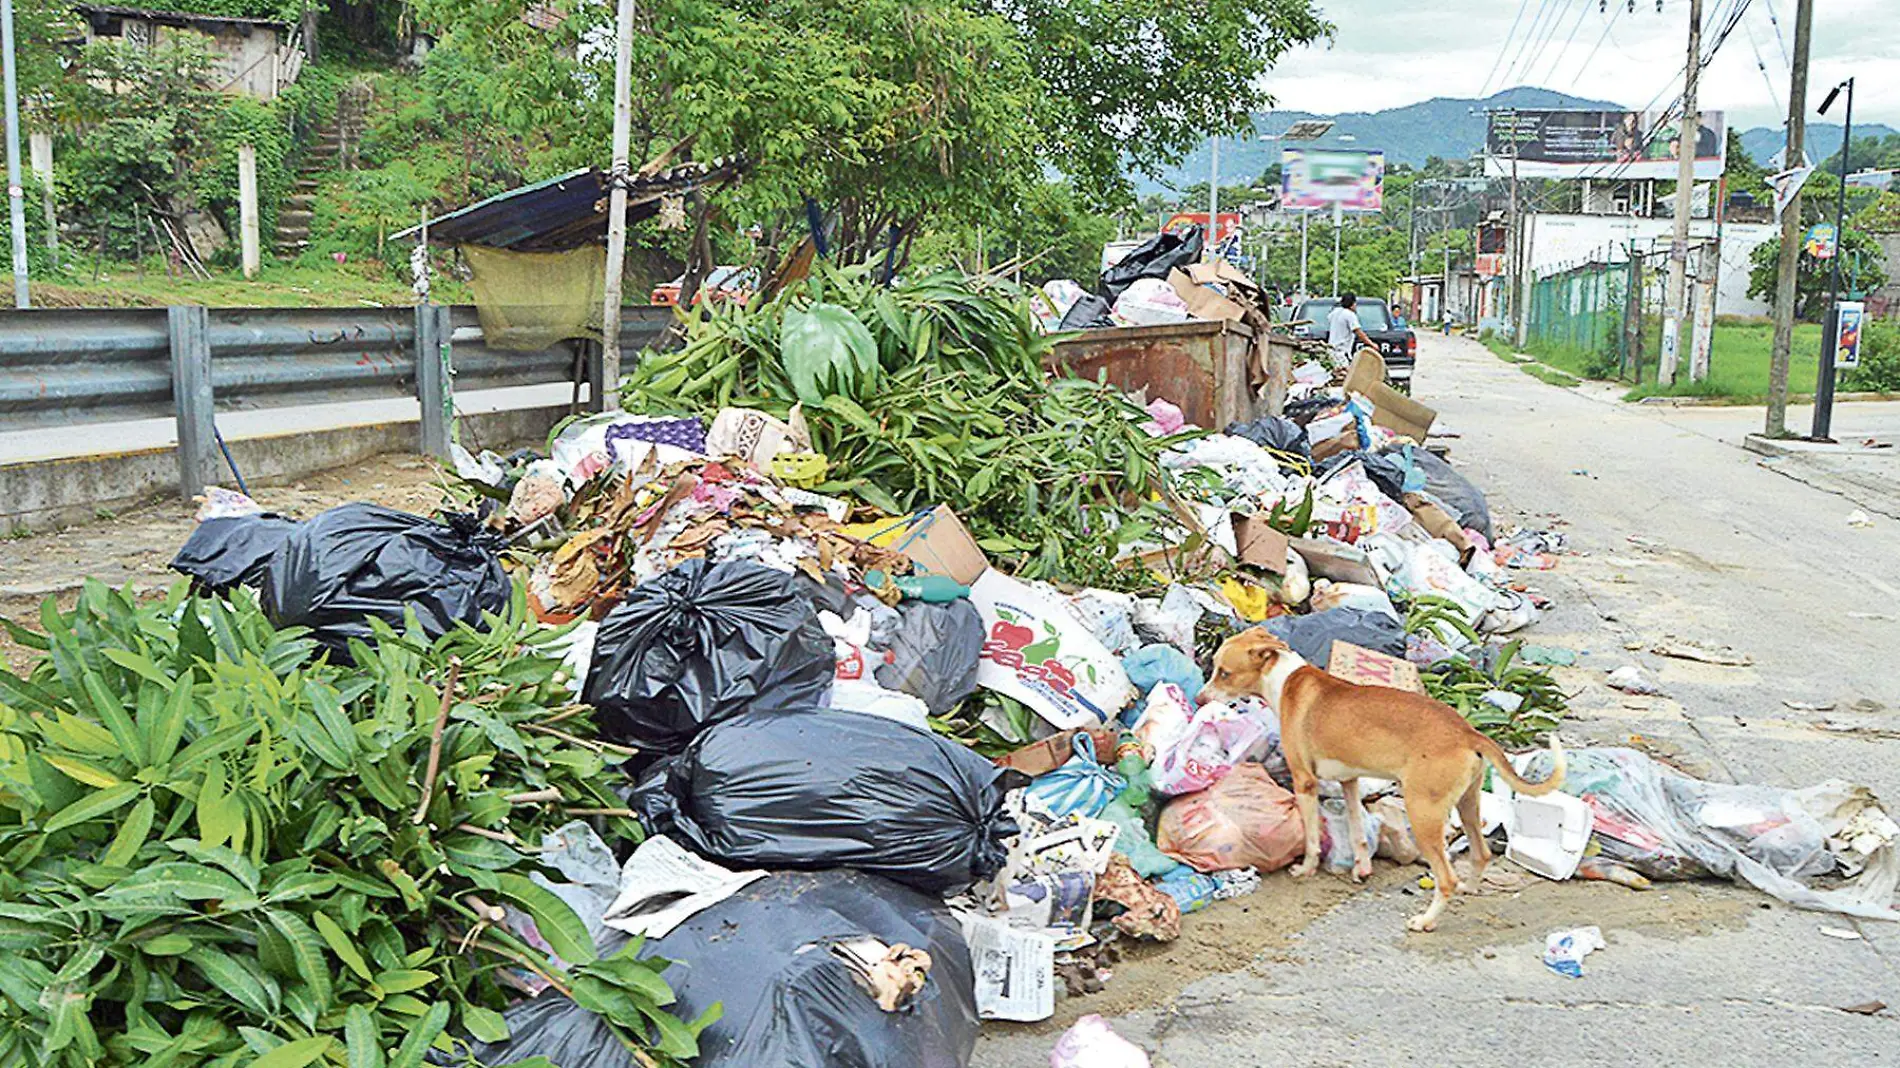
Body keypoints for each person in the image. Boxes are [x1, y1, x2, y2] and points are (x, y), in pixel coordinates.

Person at [1327, 293, 1374, 363]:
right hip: (1342, 353)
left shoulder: (1334, 312)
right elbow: (1358, 332)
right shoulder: (1350, 314)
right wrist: (1371, 344)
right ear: (1352, 303)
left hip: (1331, 351)